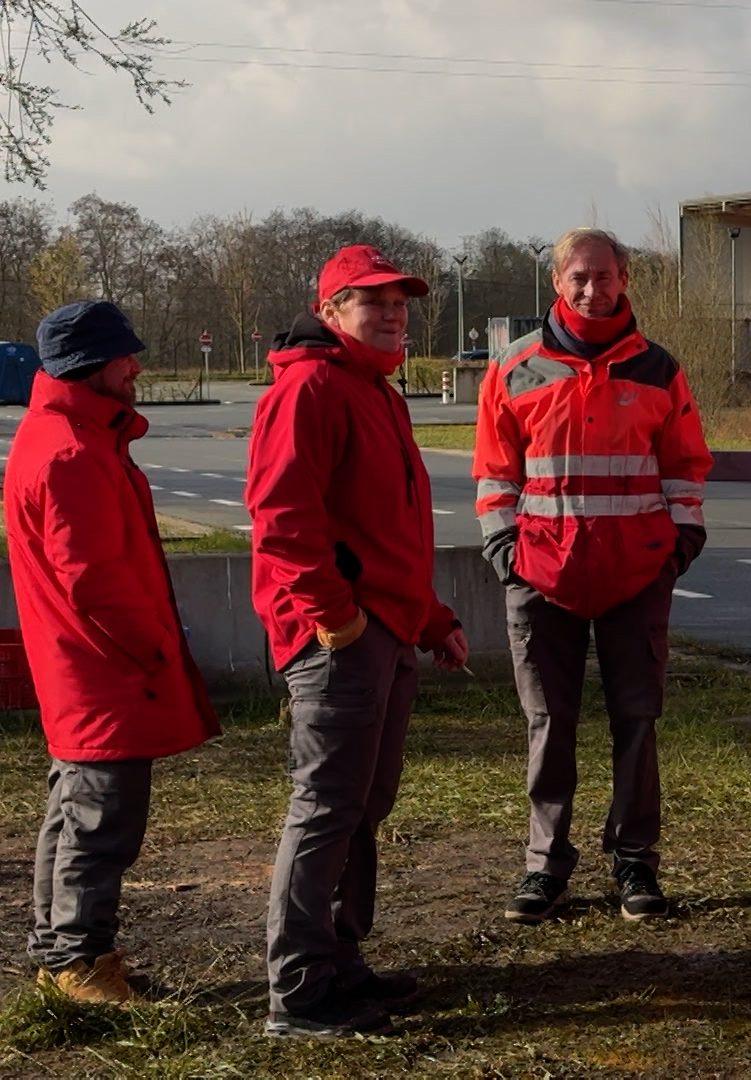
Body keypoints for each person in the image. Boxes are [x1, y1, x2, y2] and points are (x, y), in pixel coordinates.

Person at [250, 244, 470, 1038]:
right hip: (338, 639)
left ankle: (340, 961)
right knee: (326, 807)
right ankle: (299, 993)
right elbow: (281, 520)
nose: (392, 312)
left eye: (400, 302)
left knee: (361, 805)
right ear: (332, 310)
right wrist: (335, 618)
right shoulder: (311, 387)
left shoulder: (374, 390)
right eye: (371, 300)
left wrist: (433, 618)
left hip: (381, 627)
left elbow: (387, 534)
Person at [474, 227, 713, 926]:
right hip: (542, 577)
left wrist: (679, 544)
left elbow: (685, 468)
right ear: (557, 281)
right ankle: (545, 866)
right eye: (578, 277)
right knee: (549, 723)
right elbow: (495, 473)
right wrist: (506, 553)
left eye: (603, 276)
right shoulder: (513, 368)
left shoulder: (658, 369)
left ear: (625, 278)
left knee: (637, 722)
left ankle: (636, 861)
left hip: (637, 575)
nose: (591, 289)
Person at [4, 301, 220, 1004]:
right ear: (89, 366)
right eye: (124, 357)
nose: (136, 367)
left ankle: (60, 954)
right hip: (105, 671)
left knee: (72, 811)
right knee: (101, 822)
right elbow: (94, 578)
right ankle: (78, 963)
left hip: (82, 667)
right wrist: (155, 648)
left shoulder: (64, 435)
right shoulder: (71, 451)